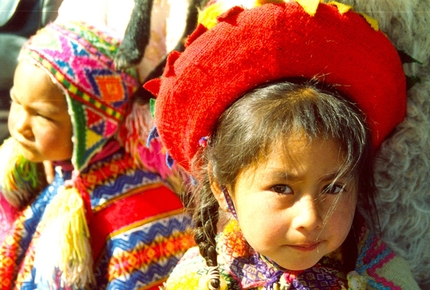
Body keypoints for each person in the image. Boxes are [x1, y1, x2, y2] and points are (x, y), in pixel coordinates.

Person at [143, 1, 421, 289]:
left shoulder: (384, 277)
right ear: (219, 183)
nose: (310, 219)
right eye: (282, 188)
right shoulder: (195, 282)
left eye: (333, 187)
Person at [0, 20, 194, 289]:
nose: (20, 125)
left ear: (91, 124)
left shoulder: (136, 214)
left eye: (42, 115)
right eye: (16, 101)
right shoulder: (52, 170)